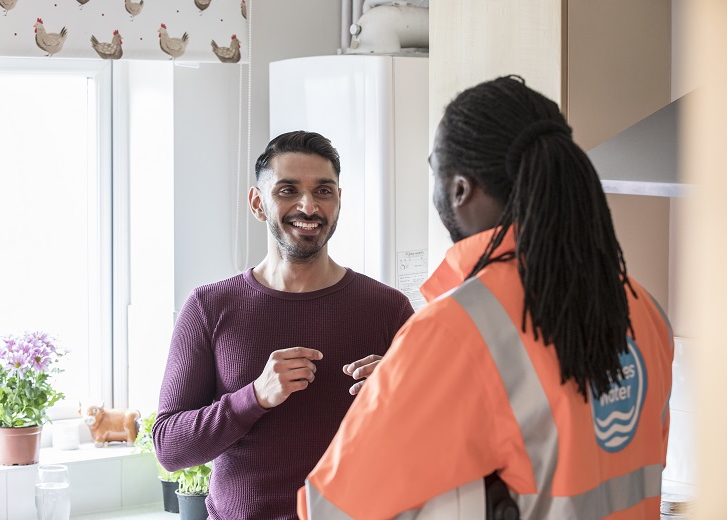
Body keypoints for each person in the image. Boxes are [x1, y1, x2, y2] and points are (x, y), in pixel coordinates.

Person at [299, 76, 674, 519]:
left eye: (432, 167)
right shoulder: (642, 308)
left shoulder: (459, 330)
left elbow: (332, 509)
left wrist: (404, 387)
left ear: (459, 189)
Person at [153, 130, 414, 520]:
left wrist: (402, 396)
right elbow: (170, 448)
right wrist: (254, 397)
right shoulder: (209, 307)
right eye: (288, 190)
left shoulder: (389, 309)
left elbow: (442, 440)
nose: (308, 206)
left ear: (339, 202)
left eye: (323, 191)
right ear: (258, 204)